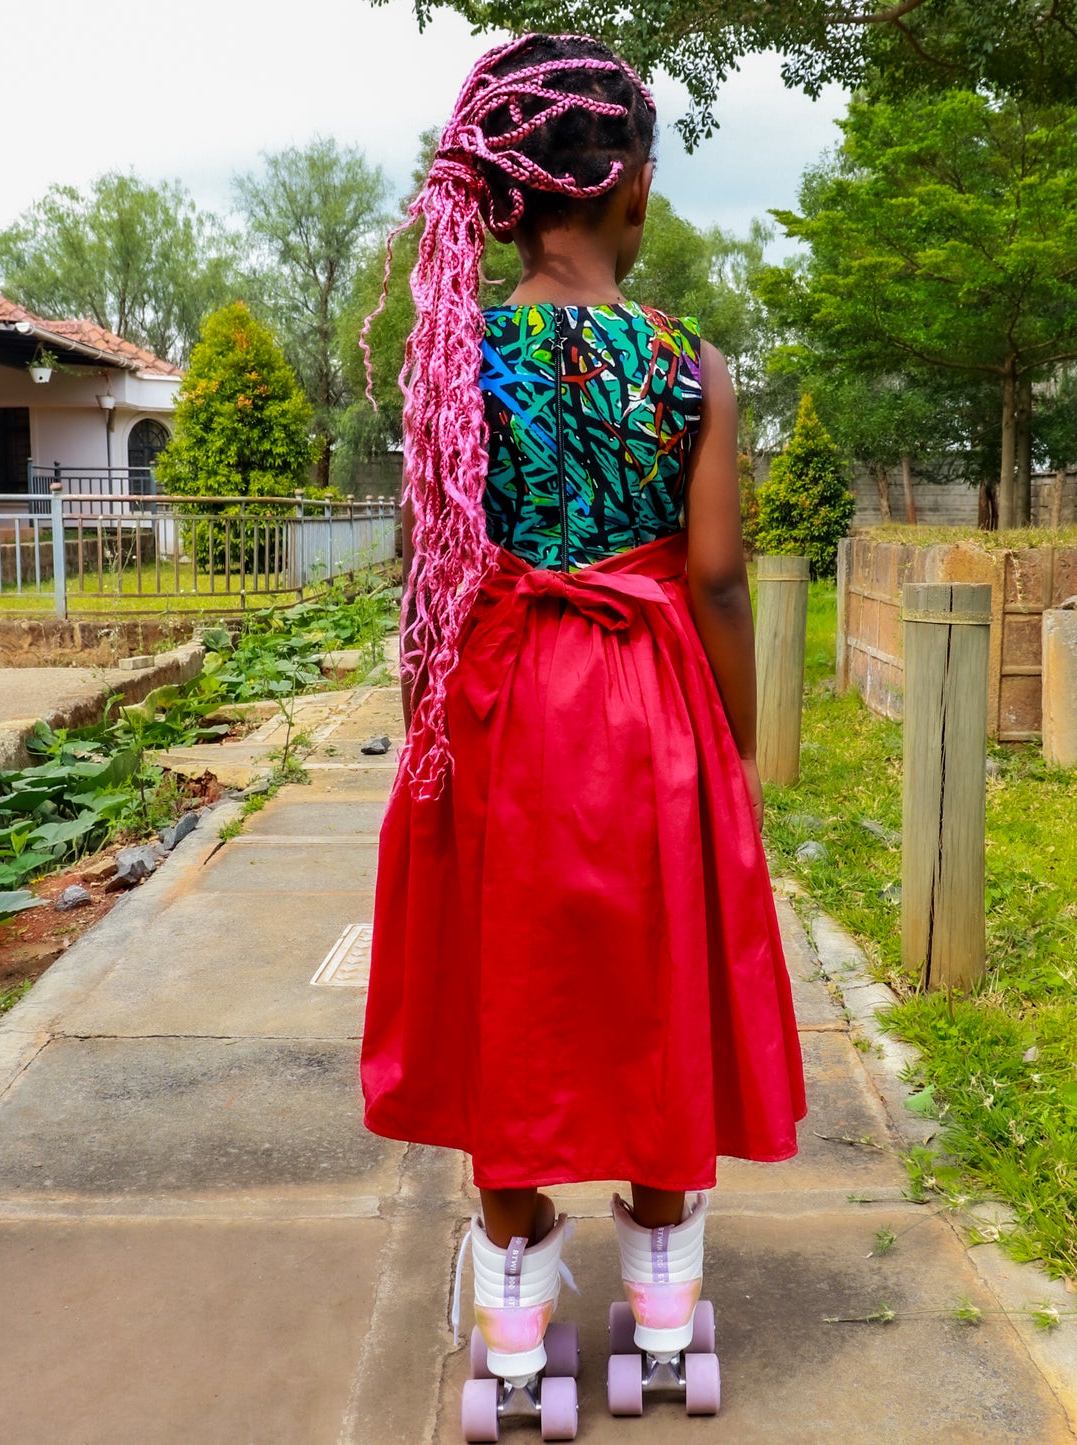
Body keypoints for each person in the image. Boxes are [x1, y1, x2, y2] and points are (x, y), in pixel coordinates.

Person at [359, 30, 806, 1427]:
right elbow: (719, 572)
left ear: (506, 195)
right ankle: (662, 1298)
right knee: (655, 973)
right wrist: (737, 740)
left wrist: (420, 718)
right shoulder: (692, 367)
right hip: (649, 695)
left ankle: (508, 1305)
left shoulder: (458, 361)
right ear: (631, 196)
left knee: (512, 982)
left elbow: (430, 566)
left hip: (498, 699)